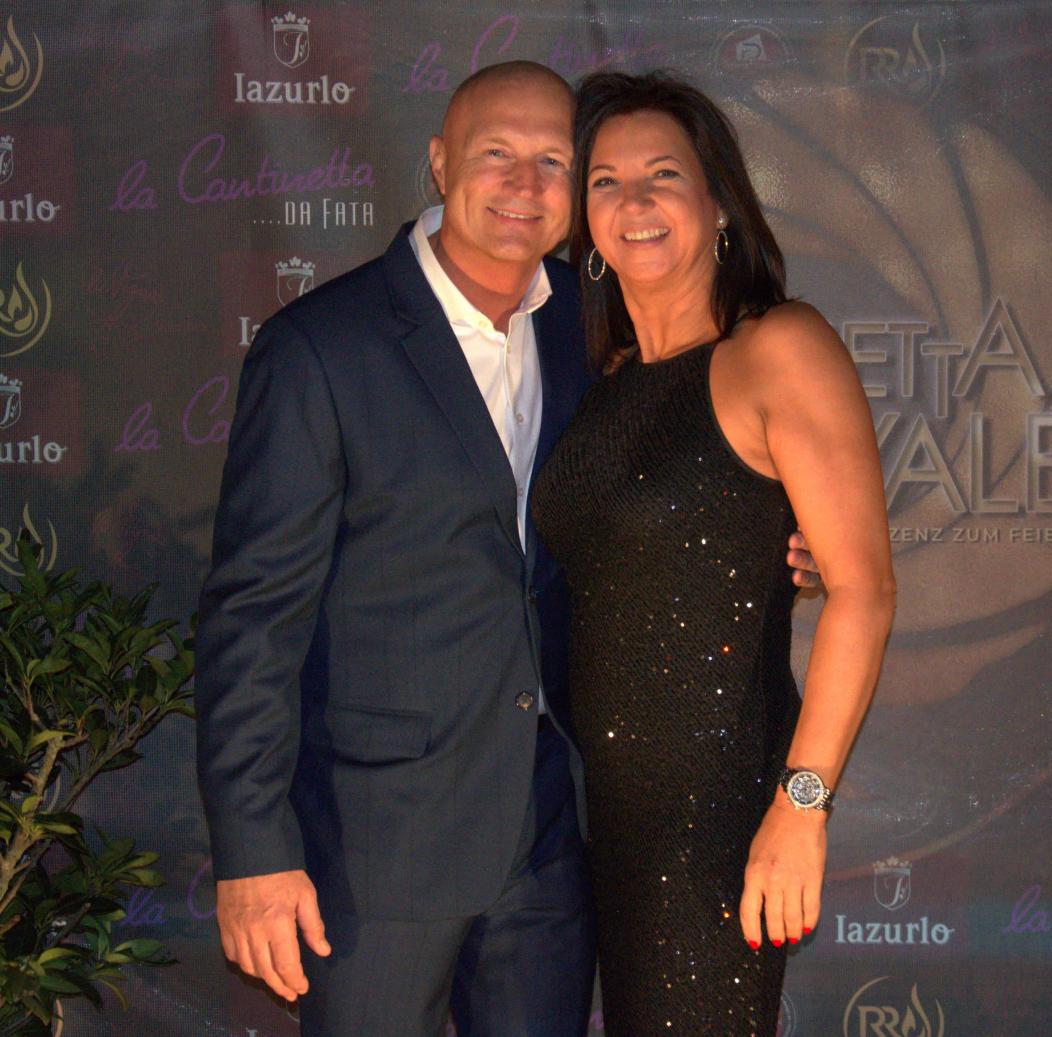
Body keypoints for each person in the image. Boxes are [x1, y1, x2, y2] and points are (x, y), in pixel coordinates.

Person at [195, 58, 823, 1036]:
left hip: (555, 847)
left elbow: (671, 488)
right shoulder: (321, 349)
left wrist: (779, 538)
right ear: (440, 163)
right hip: (374, 856)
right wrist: (252, 851)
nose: (526, 183)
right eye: (497, 154)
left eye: (555, 161)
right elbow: (251, 620)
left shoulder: (596, 328)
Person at [531, 71, 896, 1036]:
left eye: (662, 174)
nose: (633, 201)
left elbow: (863, 592)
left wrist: (800, 808)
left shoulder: (777, 347)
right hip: (605, 822)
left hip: (717, 819)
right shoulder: (607, 378)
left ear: (720, 202)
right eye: (605, 181)